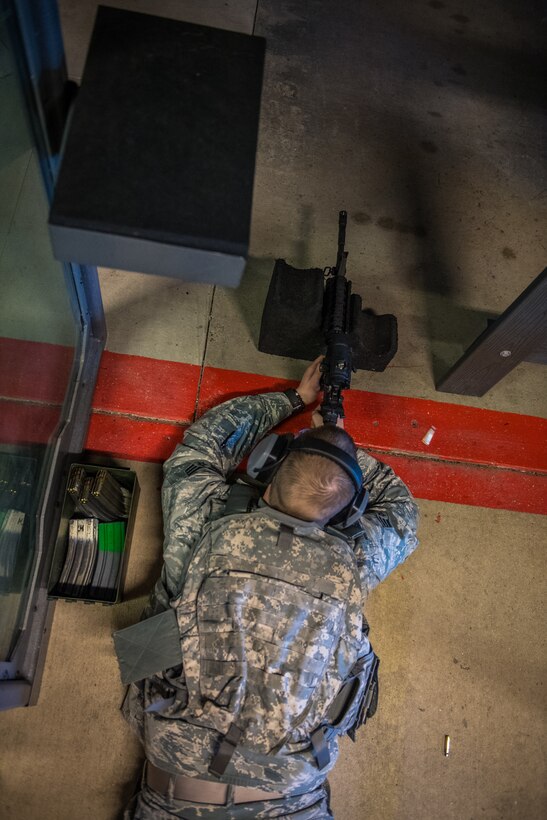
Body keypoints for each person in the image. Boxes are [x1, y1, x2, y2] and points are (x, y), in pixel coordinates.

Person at [121, 356, 419, 819]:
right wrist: (337, 440)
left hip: (179, 785)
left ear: (266, 475)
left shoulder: (209, 519)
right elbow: (400, 509)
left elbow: (202, 446)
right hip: (290, 800)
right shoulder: (356, 559)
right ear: (348, 509)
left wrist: (295, 401)